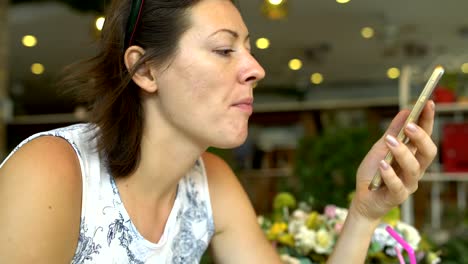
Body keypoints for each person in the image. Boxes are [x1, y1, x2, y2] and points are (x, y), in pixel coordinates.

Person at [0, 0, 437, 263]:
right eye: (224, 49)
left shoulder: (211, 182)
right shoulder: (53, 172)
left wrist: (365, 213)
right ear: (146, 68)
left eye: (247, 49)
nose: (256, 69)